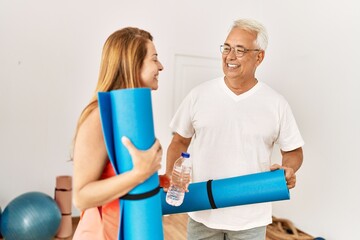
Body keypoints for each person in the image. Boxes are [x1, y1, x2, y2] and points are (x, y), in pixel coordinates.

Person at [165, 18, 304, 240]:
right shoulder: (198, 95)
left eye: (240, 50)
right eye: (227, 48)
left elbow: (294, 151)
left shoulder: (276, 103)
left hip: (250, 219)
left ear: (259, 56)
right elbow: (179, 142)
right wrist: (173, 178)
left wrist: (288, 169)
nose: (230, 56)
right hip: (203, 213)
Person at [72, 27, 164, 239]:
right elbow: (81, 197)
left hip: (129, 228)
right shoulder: (97, 117)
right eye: (154, 58)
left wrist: (152, 177)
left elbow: (116, 174)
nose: (161, 66)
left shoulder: (131, 115)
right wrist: (139, 174)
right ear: (133, 64)